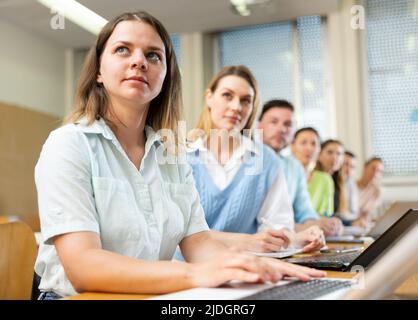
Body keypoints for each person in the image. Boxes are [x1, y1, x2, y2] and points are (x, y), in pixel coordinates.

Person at [33, 11, 325, 299]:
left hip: (155, 296)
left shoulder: (171, 156)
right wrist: (196, 274)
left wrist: (254, 266)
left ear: (165, 77)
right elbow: (84, 268)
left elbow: (198, 242)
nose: (139, 61)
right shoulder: (68, 144)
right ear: (98, 70)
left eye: (153, 56)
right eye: (123, 50)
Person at [187, 66, 325, 254]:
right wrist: (246, 241)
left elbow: (277, 224)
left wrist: (295, 239)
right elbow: (177, 232)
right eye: (227, 95)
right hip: (184, 272)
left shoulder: (267, 160)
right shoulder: (180, 155)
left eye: (246, 101)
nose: (237, 107)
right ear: (209, 97)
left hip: (246, 271)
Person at [257, 100, 341, 236]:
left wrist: (320, 224)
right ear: (259, 126)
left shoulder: (294, 167)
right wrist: (300, 228)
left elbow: (305, 211)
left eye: (288, 124)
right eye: (273, 122)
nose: (281, 129)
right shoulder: (247, 161)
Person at [290, 127, 343, 236]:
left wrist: (331, 224)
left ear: (319, 150)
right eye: (303, 143)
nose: (309, 148)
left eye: (314, 144)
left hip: (313, 233)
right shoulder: (283, 174)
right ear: (292, 146)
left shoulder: (325, 179)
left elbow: (324, 214)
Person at [309, 139, 345, 222]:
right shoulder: (312, 178)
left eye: (339, 154)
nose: (335, 157)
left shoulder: (338, 182)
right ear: (319, 155)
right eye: (330, 152)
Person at [357, 157, 384, 226]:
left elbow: (368, 215)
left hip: (365, 225)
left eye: (379, 171)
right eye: (373, 169)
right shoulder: (351, 187)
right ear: (365, 168)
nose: (375, 173)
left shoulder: (377, 192)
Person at [337, 151, 360, 225]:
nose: (348, 169)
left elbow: (354, 212)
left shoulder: (351, 184)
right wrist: (352, 222)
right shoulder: (335, 183)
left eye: (352, 167)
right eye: (346, 164)